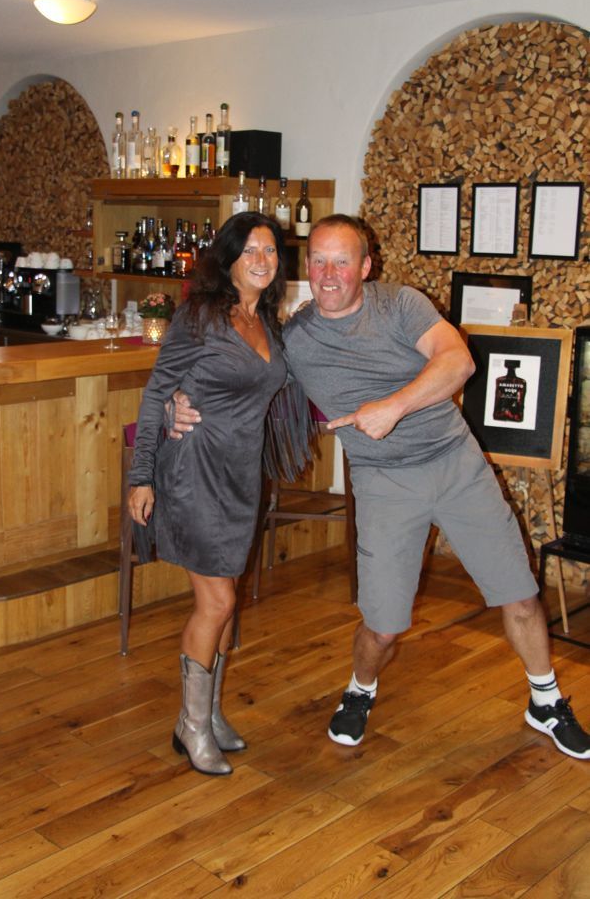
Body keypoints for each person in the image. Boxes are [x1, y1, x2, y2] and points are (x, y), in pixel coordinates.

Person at [172, 213, 590, 761]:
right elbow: (236, 375)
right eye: (318, 261)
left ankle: (546, 700)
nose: (328, 274)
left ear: (366, 267)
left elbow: (458, 361)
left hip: (456, 465)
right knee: (384, 627)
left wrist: (392, 407)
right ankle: (360, 689)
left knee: (520, 595)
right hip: (383, 481)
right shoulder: (294, 338)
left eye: (342, 261)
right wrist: (176, 401)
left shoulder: (400, 304)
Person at [128, 211, 287, 776]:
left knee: (228, 601)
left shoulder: (266, 320)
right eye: (250, 251)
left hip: (241, 476)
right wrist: (141, 475)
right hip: (193, 470)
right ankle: (190, 725)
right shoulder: (200, 315)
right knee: (216, 602)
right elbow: (156, 392)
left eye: (270, 250)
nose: (262, 260)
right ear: (228, 259)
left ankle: (210, 714)